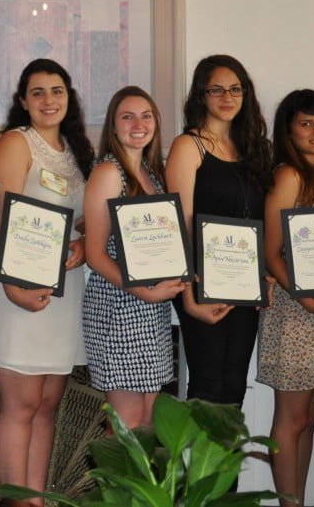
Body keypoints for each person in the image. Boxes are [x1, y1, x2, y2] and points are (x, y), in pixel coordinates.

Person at [0, 59, 93, 503]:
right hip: (17, 290)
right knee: (19, 406)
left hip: (62, 293)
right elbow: (0, 216)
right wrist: (13, 285)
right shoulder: (16, 143)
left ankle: (35, 499)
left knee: (45, 407)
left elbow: (80, 221)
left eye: (56, 90)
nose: (48, 100)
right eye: (37, 92)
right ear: (23, 101)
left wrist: (81, 244)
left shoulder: (76, 150)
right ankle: (18, 501)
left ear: (68, 97)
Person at [164, 55, 272, 407]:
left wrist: (265, 275)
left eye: (235, 89)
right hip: (202, 286)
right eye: (217, 90)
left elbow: (260, 219)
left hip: (243, 285)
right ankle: (200, 465)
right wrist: (189, 293)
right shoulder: (188, 146)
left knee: (233, 387)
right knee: (207, 385)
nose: (227, 97)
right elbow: (182, 222)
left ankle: (223, 464)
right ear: (202, 96)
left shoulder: (253, 149)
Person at [258, 89, 314, 507]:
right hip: (296, 316)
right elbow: (271, 252)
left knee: (309, 419)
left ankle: (299, 501)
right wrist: (308, 300)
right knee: (291, 420)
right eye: (306, 123)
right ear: (288, 131)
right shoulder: (289, 175)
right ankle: (288, 503)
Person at [82, 86, 186, 429]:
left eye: (146, 115)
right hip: (120, 308)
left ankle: (138, 486)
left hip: (150, 310)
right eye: (127, 116)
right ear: (113, 127)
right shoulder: (109, 173)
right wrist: (146, 291)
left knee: (146, 422)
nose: (138, 124)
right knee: (126, 427)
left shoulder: (153, 175)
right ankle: (116, 487)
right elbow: (95, 255)